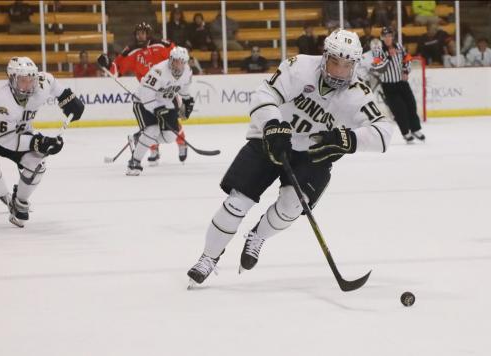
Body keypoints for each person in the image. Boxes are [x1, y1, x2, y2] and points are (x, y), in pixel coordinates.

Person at [186, 29, 393, 286]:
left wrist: (348, 140)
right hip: (273, 140)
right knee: (237, 202)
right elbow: (264, 94)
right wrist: (273, 125)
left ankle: (258, 235)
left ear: (355, 64)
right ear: (324, 56)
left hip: (313, 155)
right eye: (335, 62)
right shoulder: (299, 67)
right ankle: (208, 258)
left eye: (347, 65)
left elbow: (384, 133)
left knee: (290, 207)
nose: (340, 71)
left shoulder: (358, 93)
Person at [0, 57, 84, 227]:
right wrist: (38, 142)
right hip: (0, 137)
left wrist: (70, 100)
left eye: (31, 79)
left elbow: (53, 84)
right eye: (23, 80)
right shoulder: (1, 100)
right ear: (12, 79)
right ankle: (3, 195)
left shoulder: (42, 83)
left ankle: (19, 202)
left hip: (20, 135)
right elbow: (5, 140)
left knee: (37, 165)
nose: (28, 84)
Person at [97, 22, 190, 163]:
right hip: (149, 93)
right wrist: (107, 63)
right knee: (150, 123)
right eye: (138, 33)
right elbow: (117, 70)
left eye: (143, 32)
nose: (140, 35)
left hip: (167, 90)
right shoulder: (131, 51)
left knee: (172, 120)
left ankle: (181, 143)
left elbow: (178, 56)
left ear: (149, 33)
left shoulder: (161, 45)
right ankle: (153, 148)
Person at [126, 47, 194, 176]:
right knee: (153, 130)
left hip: (165, 103)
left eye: (181, 62)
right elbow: (146, 94)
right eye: (175, 61)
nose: (177, 64)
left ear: (185, 63)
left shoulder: (187, 72)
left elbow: (184, 91)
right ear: (170, 60)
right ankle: (134, 162)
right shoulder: (158, 71)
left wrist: (187, 101)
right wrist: (156, 109)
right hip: (143, 102)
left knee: (170, 136)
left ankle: (140, 139)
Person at [373, 27, 425, 143]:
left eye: (389, 36)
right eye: (385, 36)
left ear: (393, 37)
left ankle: (415, 129)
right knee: (400, 110)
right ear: (382, 37)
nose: (387, 38)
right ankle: (406, 133)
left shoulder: (399, 47)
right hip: (388, 85)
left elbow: (407, 59)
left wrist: (406, 71)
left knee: (411, 104)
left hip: (402, 83)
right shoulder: (378, 50)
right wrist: (389, 57)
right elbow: (378, 68)